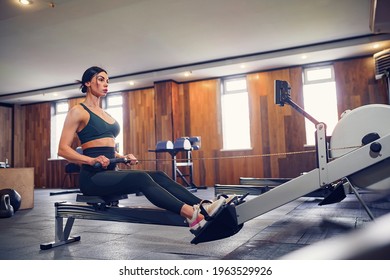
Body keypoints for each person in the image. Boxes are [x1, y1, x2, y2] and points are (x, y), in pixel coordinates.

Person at [58, 66, 225, 234]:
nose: (106, 84)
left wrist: (122, 156)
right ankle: (192, 216)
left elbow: (105, 148)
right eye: (100, 80)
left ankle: (205, 206)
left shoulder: (104, 114)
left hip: (110, 172)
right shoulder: (78, 111)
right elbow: (63, 149)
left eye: (107, 81)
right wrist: (90, 160)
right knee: (141, 177)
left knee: (158, 175)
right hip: (93, 178)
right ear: (87, 82)